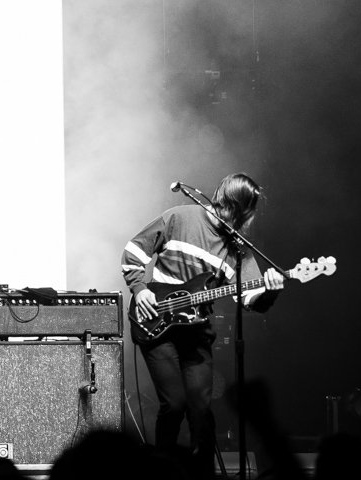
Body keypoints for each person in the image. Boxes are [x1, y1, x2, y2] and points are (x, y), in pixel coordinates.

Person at [121, 172, 285, 476]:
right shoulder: (180, 218)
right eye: (247, 212)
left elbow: (251, 298)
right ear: (238, 207)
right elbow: (133, 251)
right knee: (175, 405)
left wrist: (271, 290)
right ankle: (161, 474)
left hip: (196, 331)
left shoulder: (238, 249)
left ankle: (202, 475)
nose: (248, 219)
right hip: (156, 324)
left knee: (200, 408)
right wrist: (140, 289)